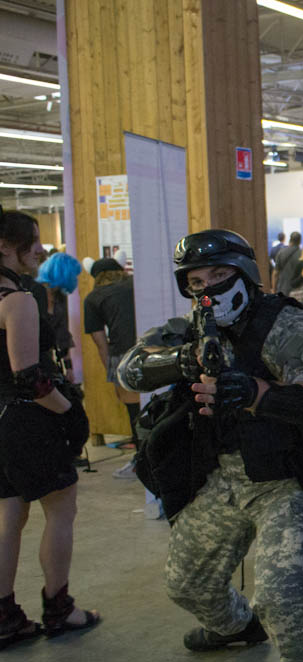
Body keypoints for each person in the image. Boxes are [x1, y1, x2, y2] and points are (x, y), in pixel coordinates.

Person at [117, 229, 303, 661]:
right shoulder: (190, 332)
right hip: (225, 483)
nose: (208, 289)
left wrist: (258, 394)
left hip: (287, 483)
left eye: (219, 274)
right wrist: (178, 362)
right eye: (197, 282)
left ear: (244, 273)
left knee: (285, 597)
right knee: (187, 583)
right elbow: (129, 371)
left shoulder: (287, 324)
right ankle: (238, 627)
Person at [0, 209, 98, 651]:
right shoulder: (16, 299)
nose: (41, 249)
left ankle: (5, 618)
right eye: (32, 241)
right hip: (25, 420)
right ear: (5, 246)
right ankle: (59, 609)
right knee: (60, 508)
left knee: (9, 515)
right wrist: (66, 411)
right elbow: (29, 378)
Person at [83, 257, 140, 457]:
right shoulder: (137, 283)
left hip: (123, 354)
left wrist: (110, 368)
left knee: (133, 405)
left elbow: (100, 341)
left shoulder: (93, 298)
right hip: (155, 348)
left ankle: (141, 457)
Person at [271, 231, 301, 295]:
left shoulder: (281, 253)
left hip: (283, 288)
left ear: (290, 239)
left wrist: (274, 289)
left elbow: (275, 273)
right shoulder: (302, 254)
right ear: (299, 241)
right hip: (298, 290)